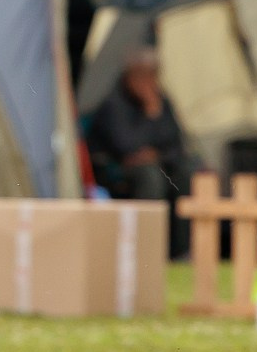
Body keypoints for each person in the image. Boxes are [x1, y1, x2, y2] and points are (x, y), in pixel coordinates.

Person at [84, 47, 196, 255]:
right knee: (150, 176)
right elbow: (127, 146)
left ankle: (183, 250)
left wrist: (156, 150)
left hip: (157, 165)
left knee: (187, 172)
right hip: (115, 171)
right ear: (130, 77)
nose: (148, 82)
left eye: (152, 76)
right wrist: (151, 116)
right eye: (142, 76)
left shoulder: (161, 102)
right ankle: (148, 249)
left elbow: (176, 143)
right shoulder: (113, 104)